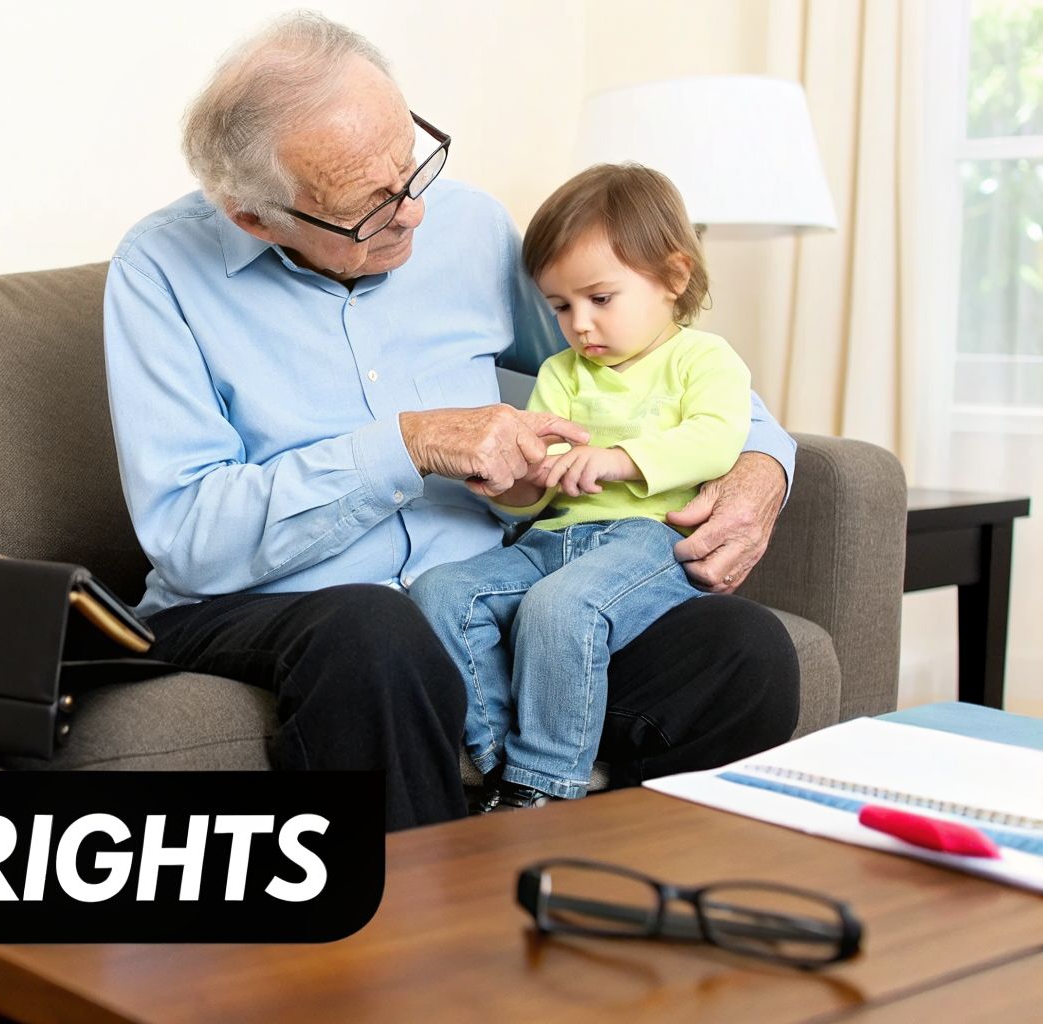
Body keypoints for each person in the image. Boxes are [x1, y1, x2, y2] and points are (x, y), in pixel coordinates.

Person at [103, 12, 800, 831]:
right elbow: (190, 535)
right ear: (255, 217)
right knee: (375, 631)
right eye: (369, 207)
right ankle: (427, 946)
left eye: (413, 166)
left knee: (741, 655)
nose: (413, 215)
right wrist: (409, 444)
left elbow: (620, 365)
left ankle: (609, 912)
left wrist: (762, 460)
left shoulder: (469, 224)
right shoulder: (159, 272)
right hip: (279, 605)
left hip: (482, 588)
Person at [409, 163, 752, 813]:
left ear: (673, 279)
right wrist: (511, 485)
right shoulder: (561, 373)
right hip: (555, 537)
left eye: (600, 299)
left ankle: (543, 784)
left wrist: (619, 459)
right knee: (441, 591)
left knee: (562, 607)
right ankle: (499, 763)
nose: (579, 325)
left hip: (650, 540)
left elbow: (716, 440)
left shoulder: (702, 360)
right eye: (560, 307)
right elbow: (540, 492)